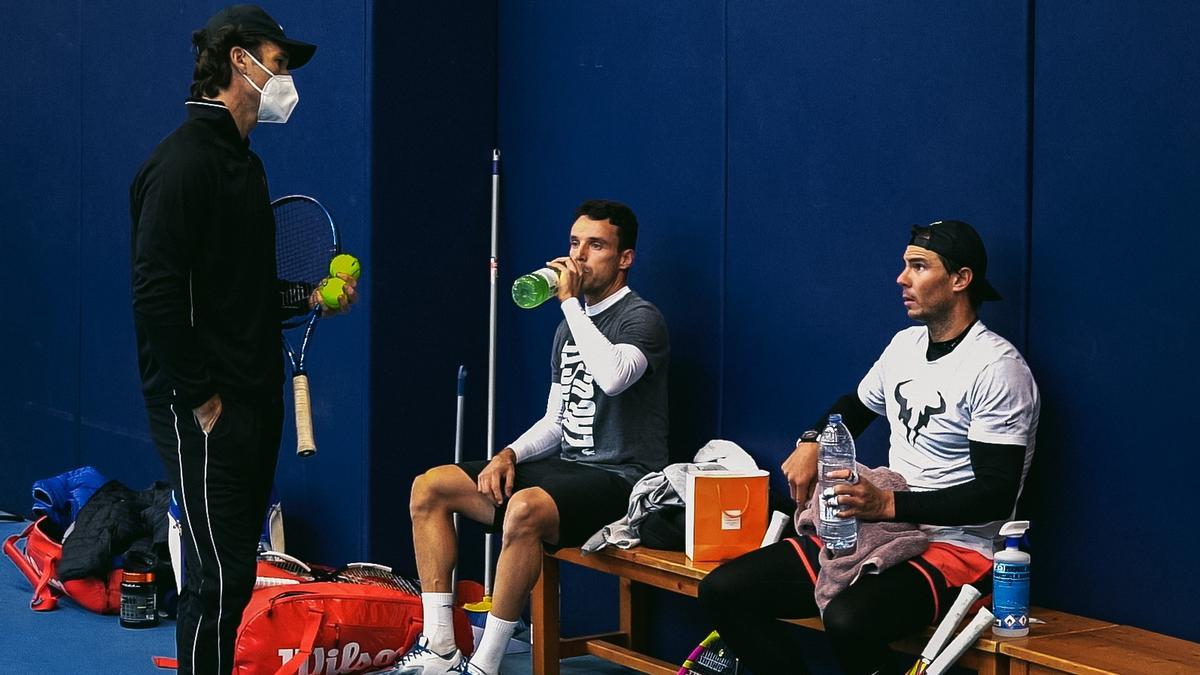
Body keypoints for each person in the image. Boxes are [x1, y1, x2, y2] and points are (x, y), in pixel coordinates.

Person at [698, 220, 1040, 675]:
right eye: (905, 265)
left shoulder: (997, 368)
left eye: (919, 267)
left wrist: (886, 503)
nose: (902, 278)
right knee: (723, 590)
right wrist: (810, 442)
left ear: (960, 280)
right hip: (885, 530)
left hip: (958, 548)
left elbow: (995, 494)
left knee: (848, 620)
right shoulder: (905, 345)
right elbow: (854, 408)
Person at [130, 6, 355, 674]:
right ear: (239, 61)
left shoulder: (246, 166)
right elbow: (156, 294)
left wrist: (311, 296)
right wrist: (199, 397)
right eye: (278, 63)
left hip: (257, 401)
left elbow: (246, 289)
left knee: (235, 579)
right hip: (205, 409)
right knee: (215, 580)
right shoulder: (181, 165)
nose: (285, 80)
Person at [391, 200, 670, 675]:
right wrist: (508, 453)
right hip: (570, 470)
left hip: (625, 480)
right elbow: (556, 420)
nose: (579, 257)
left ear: (625, 258)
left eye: (596, 245)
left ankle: (485, 665)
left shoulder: (640, 318)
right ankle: (439, 646)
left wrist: (567, 301)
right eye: (574, 243)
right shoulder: (568, 328)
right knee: (430, 486)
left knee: (524, 508)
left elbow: (613, 377)